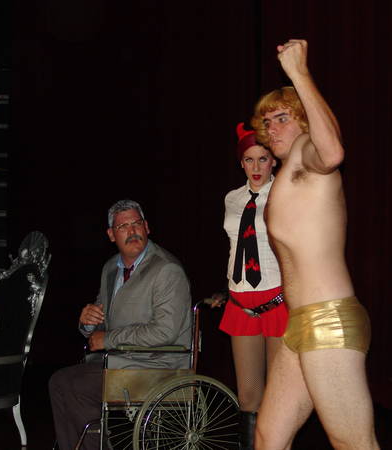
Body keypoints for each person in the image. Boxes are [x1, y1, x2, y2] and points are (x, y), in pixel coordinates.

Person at [250, 40, 379, 450]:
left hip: (328, 319)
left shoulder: (308, 151)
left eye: (282, 118)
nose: (272, 129)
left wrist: (299, 74)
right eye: (267, 122)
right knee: (268, 439)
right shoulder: (289, 173)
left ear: (305, 121)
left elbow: (333, 151)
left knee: (353, 444)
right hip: (299, 325)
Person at [49, 199, 192, 450]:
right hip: (121, 362)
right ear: (111, 235)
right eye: (123, 226)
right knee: (60, 381)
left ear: (147, 227)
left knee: (73, 387)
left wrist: (108, 339)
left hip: (157, 366)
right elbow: (100, 318)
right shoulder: (111, 268)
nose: (132, 230)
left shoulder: (166, 270)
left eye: (136, 223)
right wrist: (87, 322)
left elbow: (165, 332)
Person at [212, 123, 288, 449]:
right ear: (241, 163)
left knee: (279, 397)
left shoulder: (285, 193)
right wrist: (227, 286)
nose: (256, 167)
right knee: (248, 397)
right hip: (240, 303)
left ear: (274, 161)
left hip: (277, 301)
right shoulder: (232, 198)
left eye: (263, 159)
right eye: (249, 160)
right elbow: (236, 246)